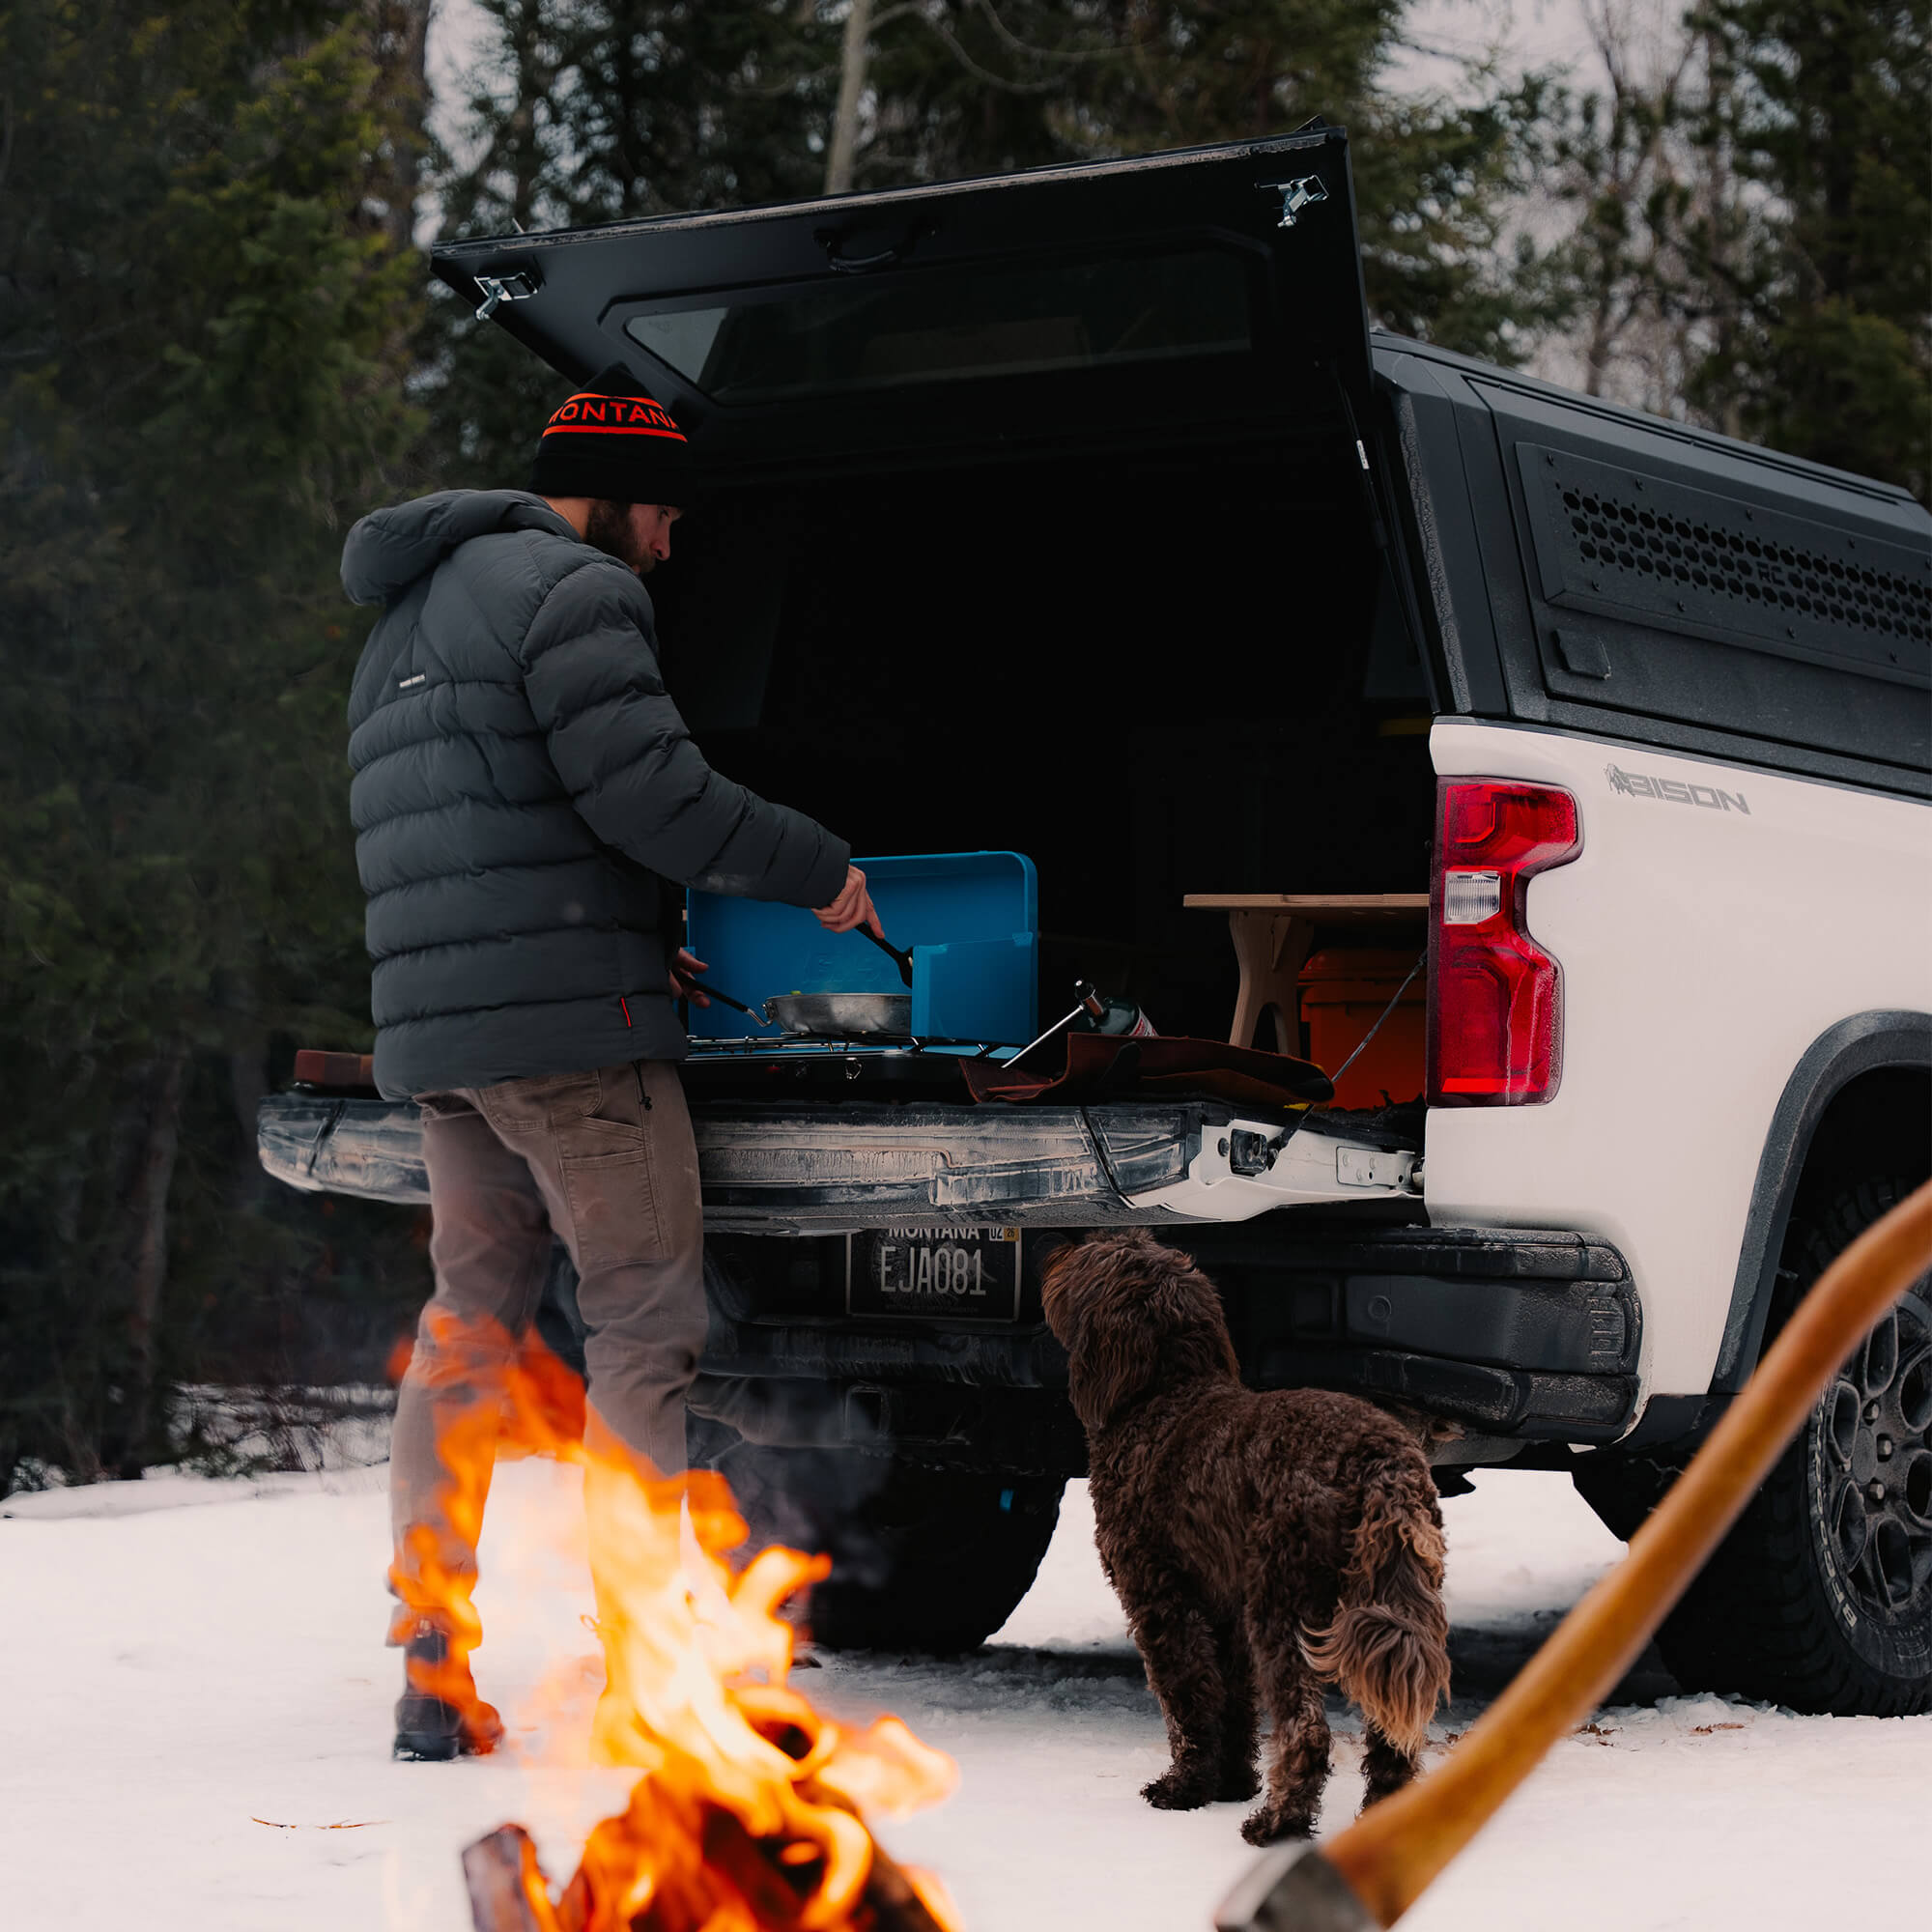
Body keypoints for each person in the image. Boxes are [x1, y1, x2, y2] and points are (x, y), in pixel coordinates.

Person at [339, 364, 877, 1759]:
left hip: (446, 1044)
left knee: (466, 1331)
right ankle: (651, 1675)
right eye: (666, 514)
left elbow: (505, 829)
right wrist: (818, 871)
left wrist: (640, 939)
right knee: (643, 1333)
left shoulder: (410, 612)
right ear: (614, 494)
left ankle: (430, 1664)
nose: (673, 540)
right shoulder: (576, 592)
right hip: (576, 1053)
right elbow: (653, 795)